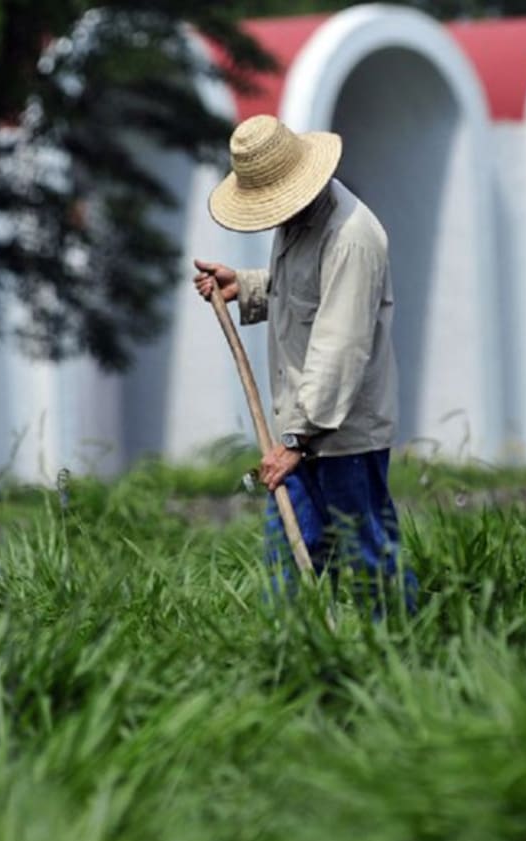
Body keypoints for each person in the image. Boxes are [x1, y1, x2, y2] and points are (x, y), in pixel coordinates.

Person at [192, 115, 417, 612]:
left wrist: (297, 439)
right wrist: (246, 285)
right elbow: (301, 293)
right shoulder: (298, 223)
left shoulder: (352, 237)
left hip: (341, 435)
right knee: (289, 560)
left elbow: (340, 345)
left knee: (368, 560)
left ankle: (405, 656)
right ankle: (294, 664)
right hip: (300, 428)